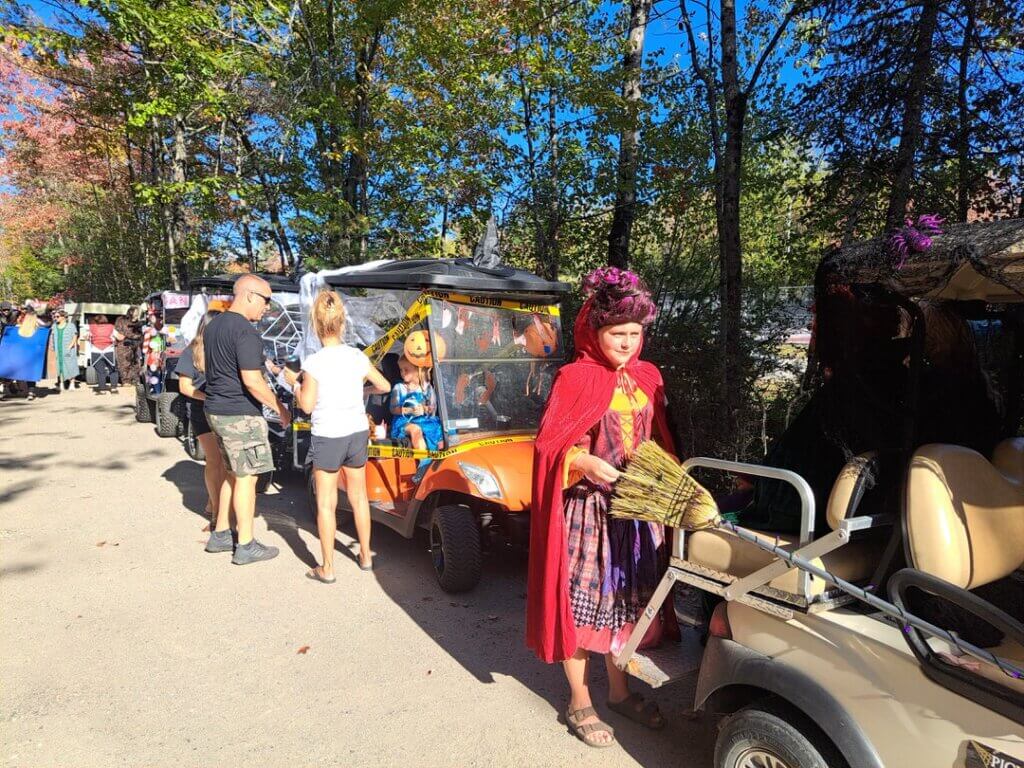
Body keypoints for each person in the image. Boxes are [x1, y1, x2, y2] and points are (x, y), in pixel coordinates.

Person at [526, 266, 678, 748]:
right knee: (584, 609)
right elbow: (551, 449)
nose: (629, 342)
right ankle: (579, 699)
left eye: (636, 333)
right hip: (589, 514)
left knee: (624, 608)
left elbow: (659, 438)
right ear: (596, 331)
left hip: (635, 512)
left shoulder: (647, 377)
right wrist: (585, 461)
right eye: (619, 333)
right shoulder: (575, 378)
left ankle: (617, 692)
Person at [283, 290, 390, 579]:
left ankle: (328, 568)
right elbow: (385, 386)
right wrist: (361, 389)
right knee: (359, 496)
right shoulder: (357, 356)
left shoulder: (314, 363)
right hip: (356, 432)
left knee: (326, 502)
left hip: (328, 435)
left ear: (316, 327)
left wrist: (294, 385)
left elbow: (306, 405)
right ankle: (366, 555)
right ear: (342, 324)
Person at [202, 274, 290, 565]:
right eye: (266, 300)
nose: (267, 307)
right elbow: (252, 380)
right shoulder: (246, 331)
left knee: (232, 473)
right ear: (250, 295)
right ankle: (246, 544)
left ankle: (221, 533)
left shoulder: (214, 326)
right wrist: (280, 407)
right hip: (239, 414)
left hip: (216, 409)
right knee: (248, 479)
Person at [176, 310, 228, 529]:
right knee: (214, 461)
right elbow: (184, 387)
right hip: (201, 412)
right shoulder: (190, 352)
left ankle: (213, 503)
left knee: (223, 463)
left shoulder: (223, 350)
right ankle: (217, 513)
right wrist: (208, 397)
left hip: (224, 412)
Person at [390, 354, 443, 482]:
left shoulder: (427, 388)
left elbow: (432, 408)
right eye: (401, 370)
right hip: (404, 421)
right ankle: (423, 465)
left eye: (406, 369)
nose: (402, 373)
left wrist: (424, 409)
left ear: (418, 369)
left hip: (425, 420)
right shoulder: (400, 388)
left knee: (442, 431)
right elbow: (393, 408)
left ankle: (439, 466)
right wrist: (408, 410)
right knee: (416, 430)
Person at [87, 314, 123, 394]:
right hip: (108, 351)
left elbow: (87, 337)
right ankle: (113, 388)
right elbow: (119, 337)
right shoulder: (110, 327)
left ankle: (102, 389)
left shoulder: (92, 328)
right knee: (113, 370)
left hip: (96, 352)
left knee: (100, 371)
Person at [51, 309, 79, 392]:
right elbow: (52, 336)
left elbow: (75, 336)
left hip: (68, 349)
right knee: (59, 367)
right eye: (55, 317)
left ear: (64, 317)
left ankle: (72, 383)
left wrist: (70, 346)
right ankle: (61, 384)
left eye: (57, 316)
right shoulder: (54, 325)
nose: (56, 318)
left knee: (70, 366)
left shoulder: (71, 325)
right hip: (58, 349)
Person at [114, 307, 143, 389]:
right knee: (124, 364)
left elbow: (140, 334)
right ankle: (126, 381)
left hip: (135, 345)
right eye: (135, 312)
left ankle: (135, 380)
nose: (137, 314)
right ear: (130, 312)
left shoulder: (138, 323)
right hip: (123, 345)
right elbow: (118, 332)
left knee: (136, 363)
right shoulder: (121, 320)